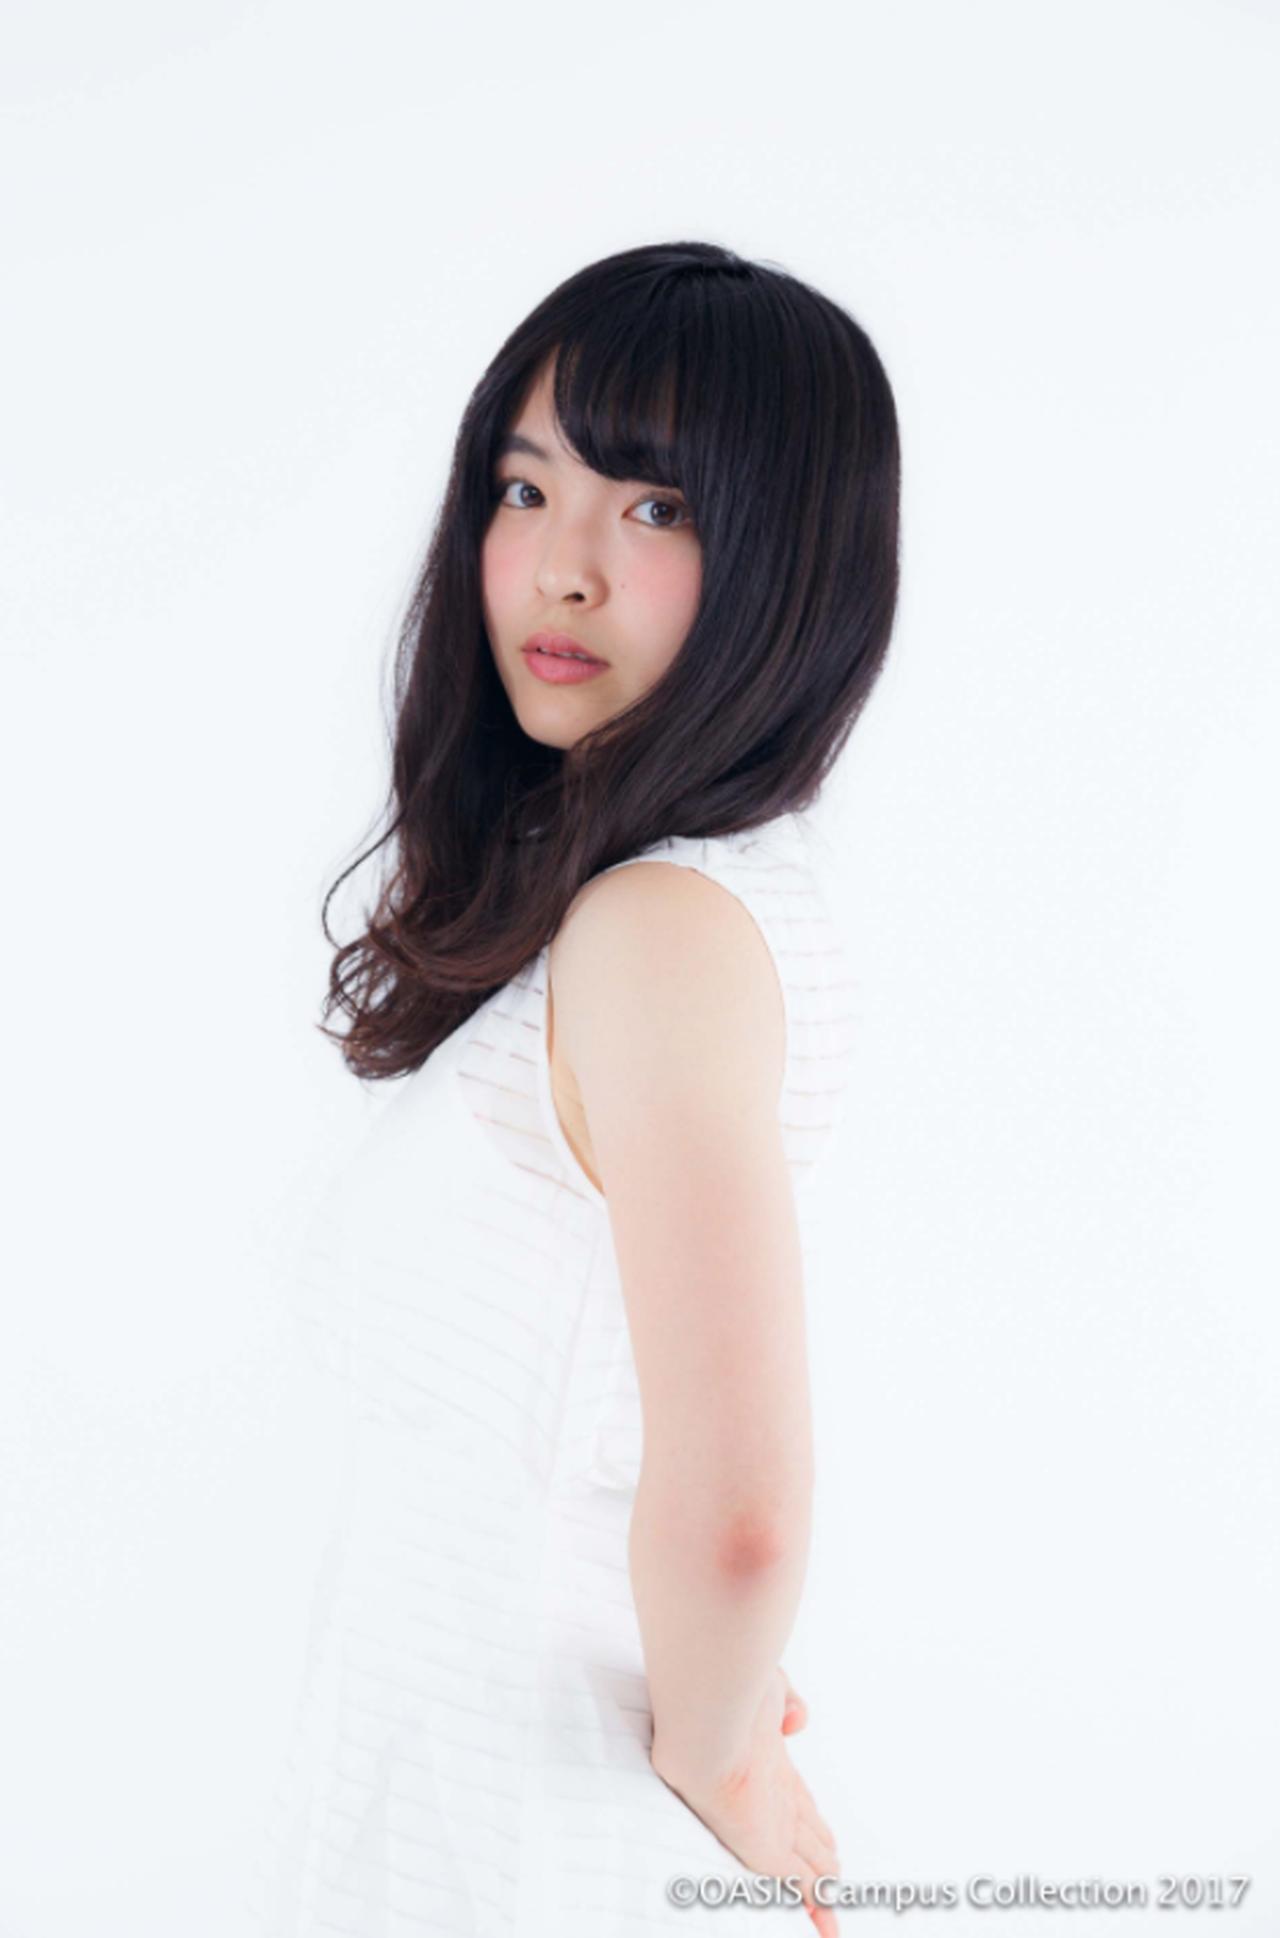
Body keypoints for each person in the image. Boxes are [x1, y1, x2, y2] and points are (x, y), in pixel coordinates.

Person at [246, 239, 900, 1938]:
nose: (564, 569)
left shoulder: (657, 930)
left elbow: (742, 1509)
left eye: (657, 507)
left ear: (791, 561)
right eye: (528, 488)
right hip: (488, 1804)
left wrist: (726, 1756)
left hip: (537, 1837)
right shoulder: (675, 914)